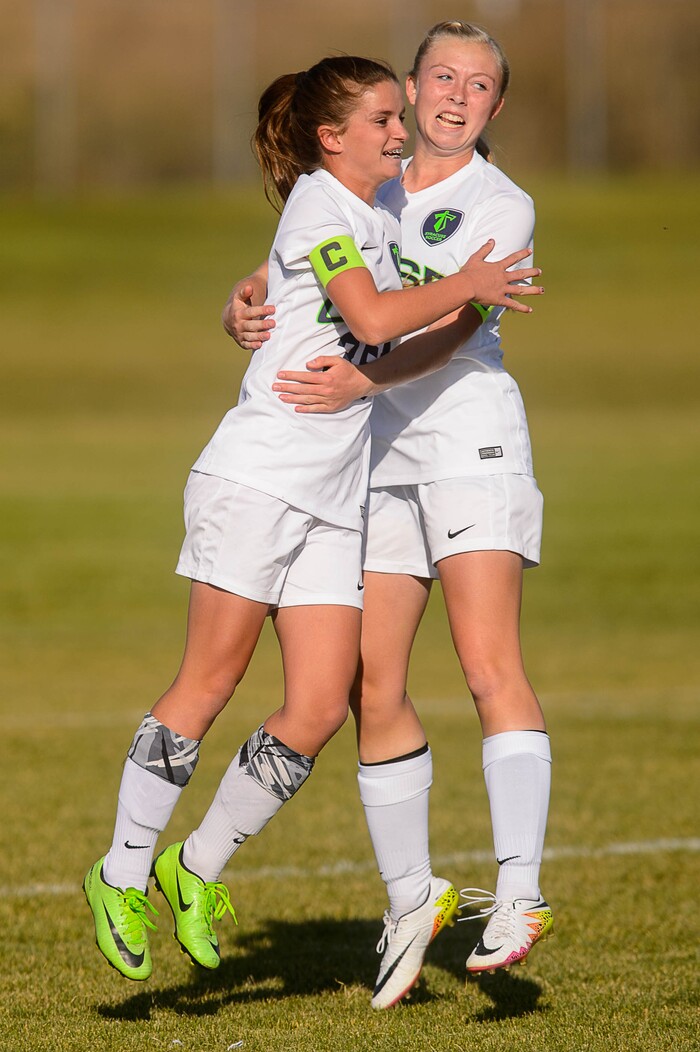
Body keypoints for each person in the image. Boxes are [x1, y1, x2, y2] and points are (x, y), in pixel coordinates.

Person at [83, 52, 543, 984]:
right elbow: (370, 315)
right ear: (334, 137)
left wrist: (245, 301)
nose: (401, 131)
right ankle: (122, 870)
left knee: (320, 704)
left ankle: (194, 867)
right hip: (260, 476)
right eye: (384, 119)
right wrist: (467, 286)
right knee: (209, 681)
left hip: (338, 497)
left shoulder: (371, 208)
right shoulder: (323, 207)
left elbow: (294, 289)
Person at [224, 21, 553, 1010]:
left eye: (481, 84)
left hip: (466, 442)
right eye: (442, 76)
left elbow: (453, 336)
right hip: (372, 456)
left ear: (496, 106)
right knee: (374, 684)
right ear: (407, 89)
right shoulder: (366, 179)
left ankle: (522, 895)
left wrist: (359, 385)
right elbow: (301, 285)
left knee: (487, 660)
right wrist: (241, 308)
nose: (458, 94)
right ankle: (411, 903)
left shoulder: (501, 204)